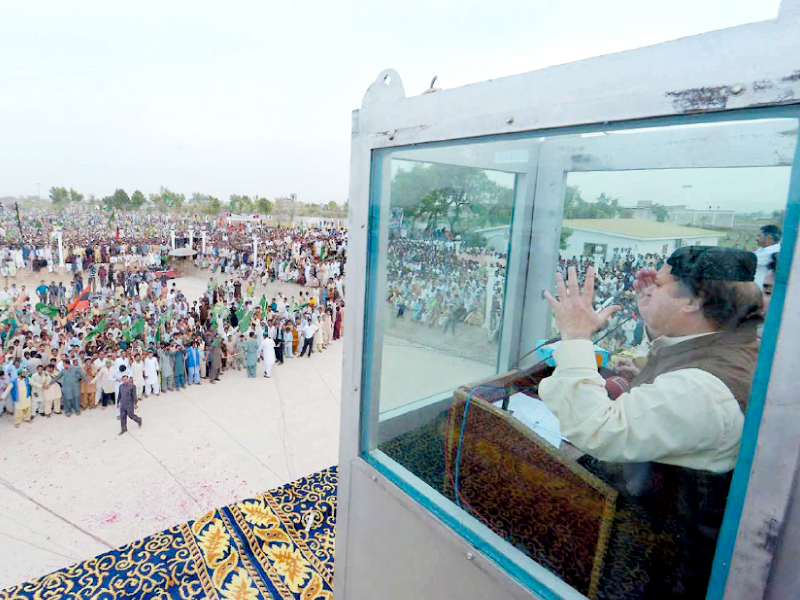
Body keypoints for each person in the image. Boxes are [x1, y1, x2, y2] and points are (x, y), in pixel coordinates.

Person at [540, 246, 763, 599]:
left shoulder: (704, 389)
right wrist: (656, 308)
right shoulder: (734, 344)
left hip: (658, 570)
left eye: (658, 283)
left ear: (693, 301)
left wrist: (575, 335)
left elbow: (599, 430)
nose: (647, 286)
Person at [754, 224, 781, 288]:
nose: (756, 239)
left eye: (759, 236)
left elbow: (749, 258)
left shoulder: (772, 251)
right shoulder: (763, 250)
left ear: (769, 238)